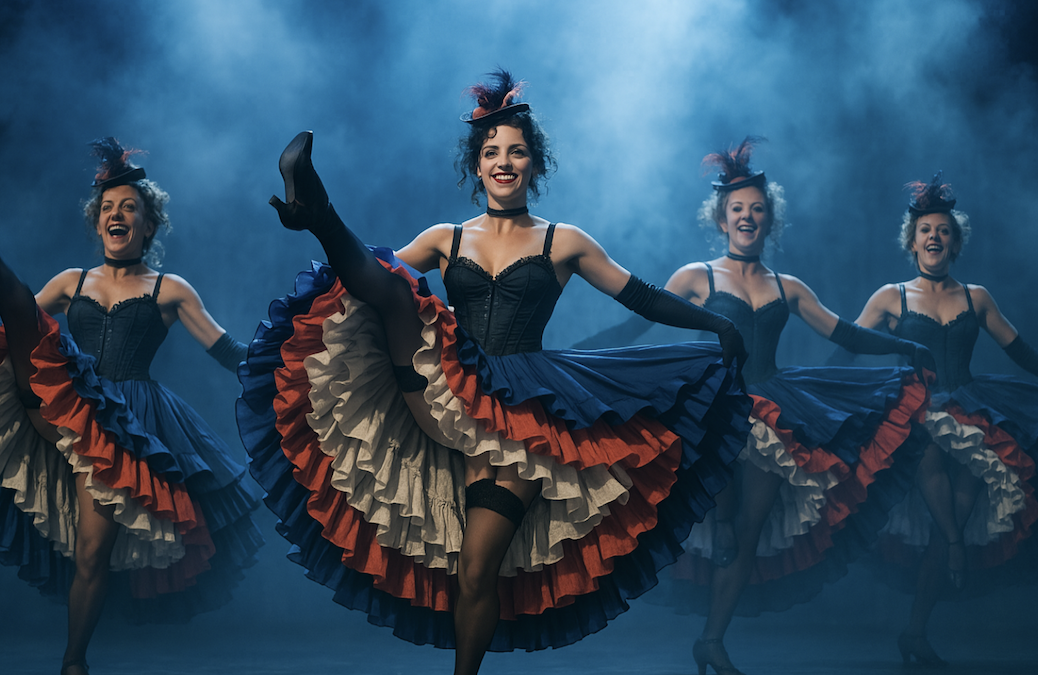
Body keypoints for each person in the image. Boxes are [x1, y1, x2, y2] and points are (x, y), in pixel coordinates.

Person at [236, 70, 752, 675]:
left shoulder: (565, 241)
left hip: (520, 418)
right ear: (475, 167)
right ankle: (318, 211)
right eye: (491, 152)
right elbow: (367, 285)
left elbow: (638, 295)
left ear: (535, 165)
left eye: (516, 151)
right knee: (396, 294)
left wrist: (714, 324)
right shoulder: (447, 237)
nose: (503, 162)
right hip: (440, 391)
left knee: (475, 570)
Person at [576, 137, 934, 675]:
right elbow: (636, 324)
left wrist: (905, 345)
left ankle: (712, 641)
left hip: (771, 409)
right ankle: (714, 525)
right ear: (722, 219)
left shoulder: (788, 287)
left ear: (770, 222)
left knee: (749, 530)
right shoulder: (696, 277)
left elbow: (850, 335)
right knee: (721, 511)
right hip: (714, 406)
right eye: (737, 209)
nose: (748, 217)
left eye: (757, 210)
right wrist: (576, 354)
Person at [0, 139, 264, 675]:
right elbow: (16, 330)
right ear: (96, 223)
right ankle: (74, 661)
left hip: (132, 420)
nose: (115, 215)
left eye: (128, 208)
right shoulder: (70, 282)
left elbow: (228, 352)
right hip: (70, 409)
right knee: (19, 319)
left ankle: (74, 662)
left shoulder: (171, 289)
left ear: (148, 225)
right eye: (106, 208)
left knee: (93, 552)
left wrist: (284, 364)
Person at [849, 173, 1038, 667]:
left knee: (951, 513)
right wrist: (833, 396)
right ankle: (957, 549)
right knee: (931, 454)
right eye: (925, 229)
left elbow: (1019, 350)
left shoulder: (977, 296)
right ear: (911, 242)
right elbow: (849, 343)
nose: (934, 236)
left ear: (955, 243)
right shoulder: (892, 296)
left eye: (944, 230)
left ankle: (915, 631)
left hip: (972, 409)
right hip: (917, 410)